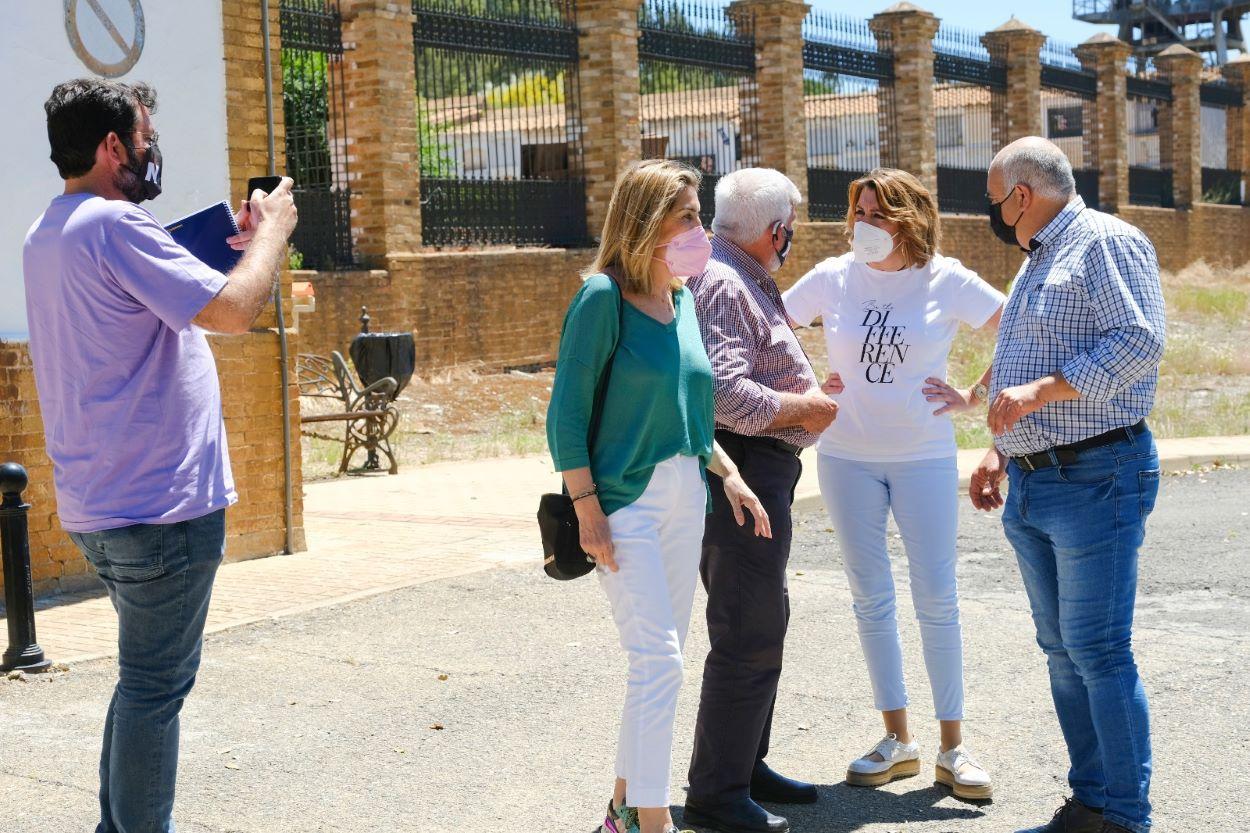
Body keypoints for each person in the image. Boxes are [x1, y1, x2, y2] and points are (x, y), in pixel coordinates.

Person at [23, 78, 297, 833]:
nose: (152, 151)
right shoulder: (117, 225)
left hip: (103, 506)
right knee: (155, 689)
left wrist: (225, 246)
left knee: (141, 682)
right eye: (145, 137)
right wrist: (271, 231)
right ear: (113, 145)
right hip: (160, 513)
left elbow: (151, 297)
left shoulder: (51, 230)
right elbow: (235, 311)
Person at [546, 159, 771, 833]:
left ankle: (623, 811)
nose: (701, 228)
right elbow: (565, 414)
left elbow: (691, 413)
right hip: (623, 503)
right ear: (647, 221)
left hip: (683, 499)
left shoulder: (683, 301)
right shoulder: (601, 298)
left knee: (656, 665)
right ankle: (654, 820)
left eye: (699, 214)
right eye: (689, 215)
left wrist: (728, 472)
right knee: (660, 661)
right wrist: (587, 508)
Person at [782, 168, 1003, 801]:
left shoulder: (946, 278)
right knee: (870, 597)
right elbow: (770, 327)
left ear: (908, 220)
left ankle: (954, 749)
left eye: (877, 215)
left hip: (923, 456)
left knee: (937, 597)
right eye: (859, 213)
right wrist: (802, 389)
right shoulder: (831, 277)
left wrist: (971, 397)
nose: (864, 226)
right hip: (846, 457)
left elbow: (1020, 330)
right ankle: (897, 740)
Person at [969, 137, 1165, 833]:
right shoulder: (1039, 258)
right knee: (1064, 652)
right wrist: (1000, 449)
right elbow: (1023, 363)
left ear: (1023, 195)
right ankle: (1091, 802)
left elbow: (1140, 342)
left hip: (1096, 475)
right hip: (1034, 482)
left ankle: (1123, 816)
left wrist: (1040, 393)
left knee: (1100, 649)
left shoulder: (1104, 242)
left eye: (995, 201)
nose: (993, 213)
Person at [683, 168, 838, 833]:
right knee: (747, 631)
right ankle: (716, 793)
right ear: (775, 229)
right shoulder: (722, 280)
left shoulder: (735, 270)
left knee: (763, 620)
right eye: (791, 224)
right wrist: (805, 405)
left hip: (760, 472)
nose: (794, 234)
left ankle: (746, 766)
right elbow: (724, 396)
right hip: (740, 475)